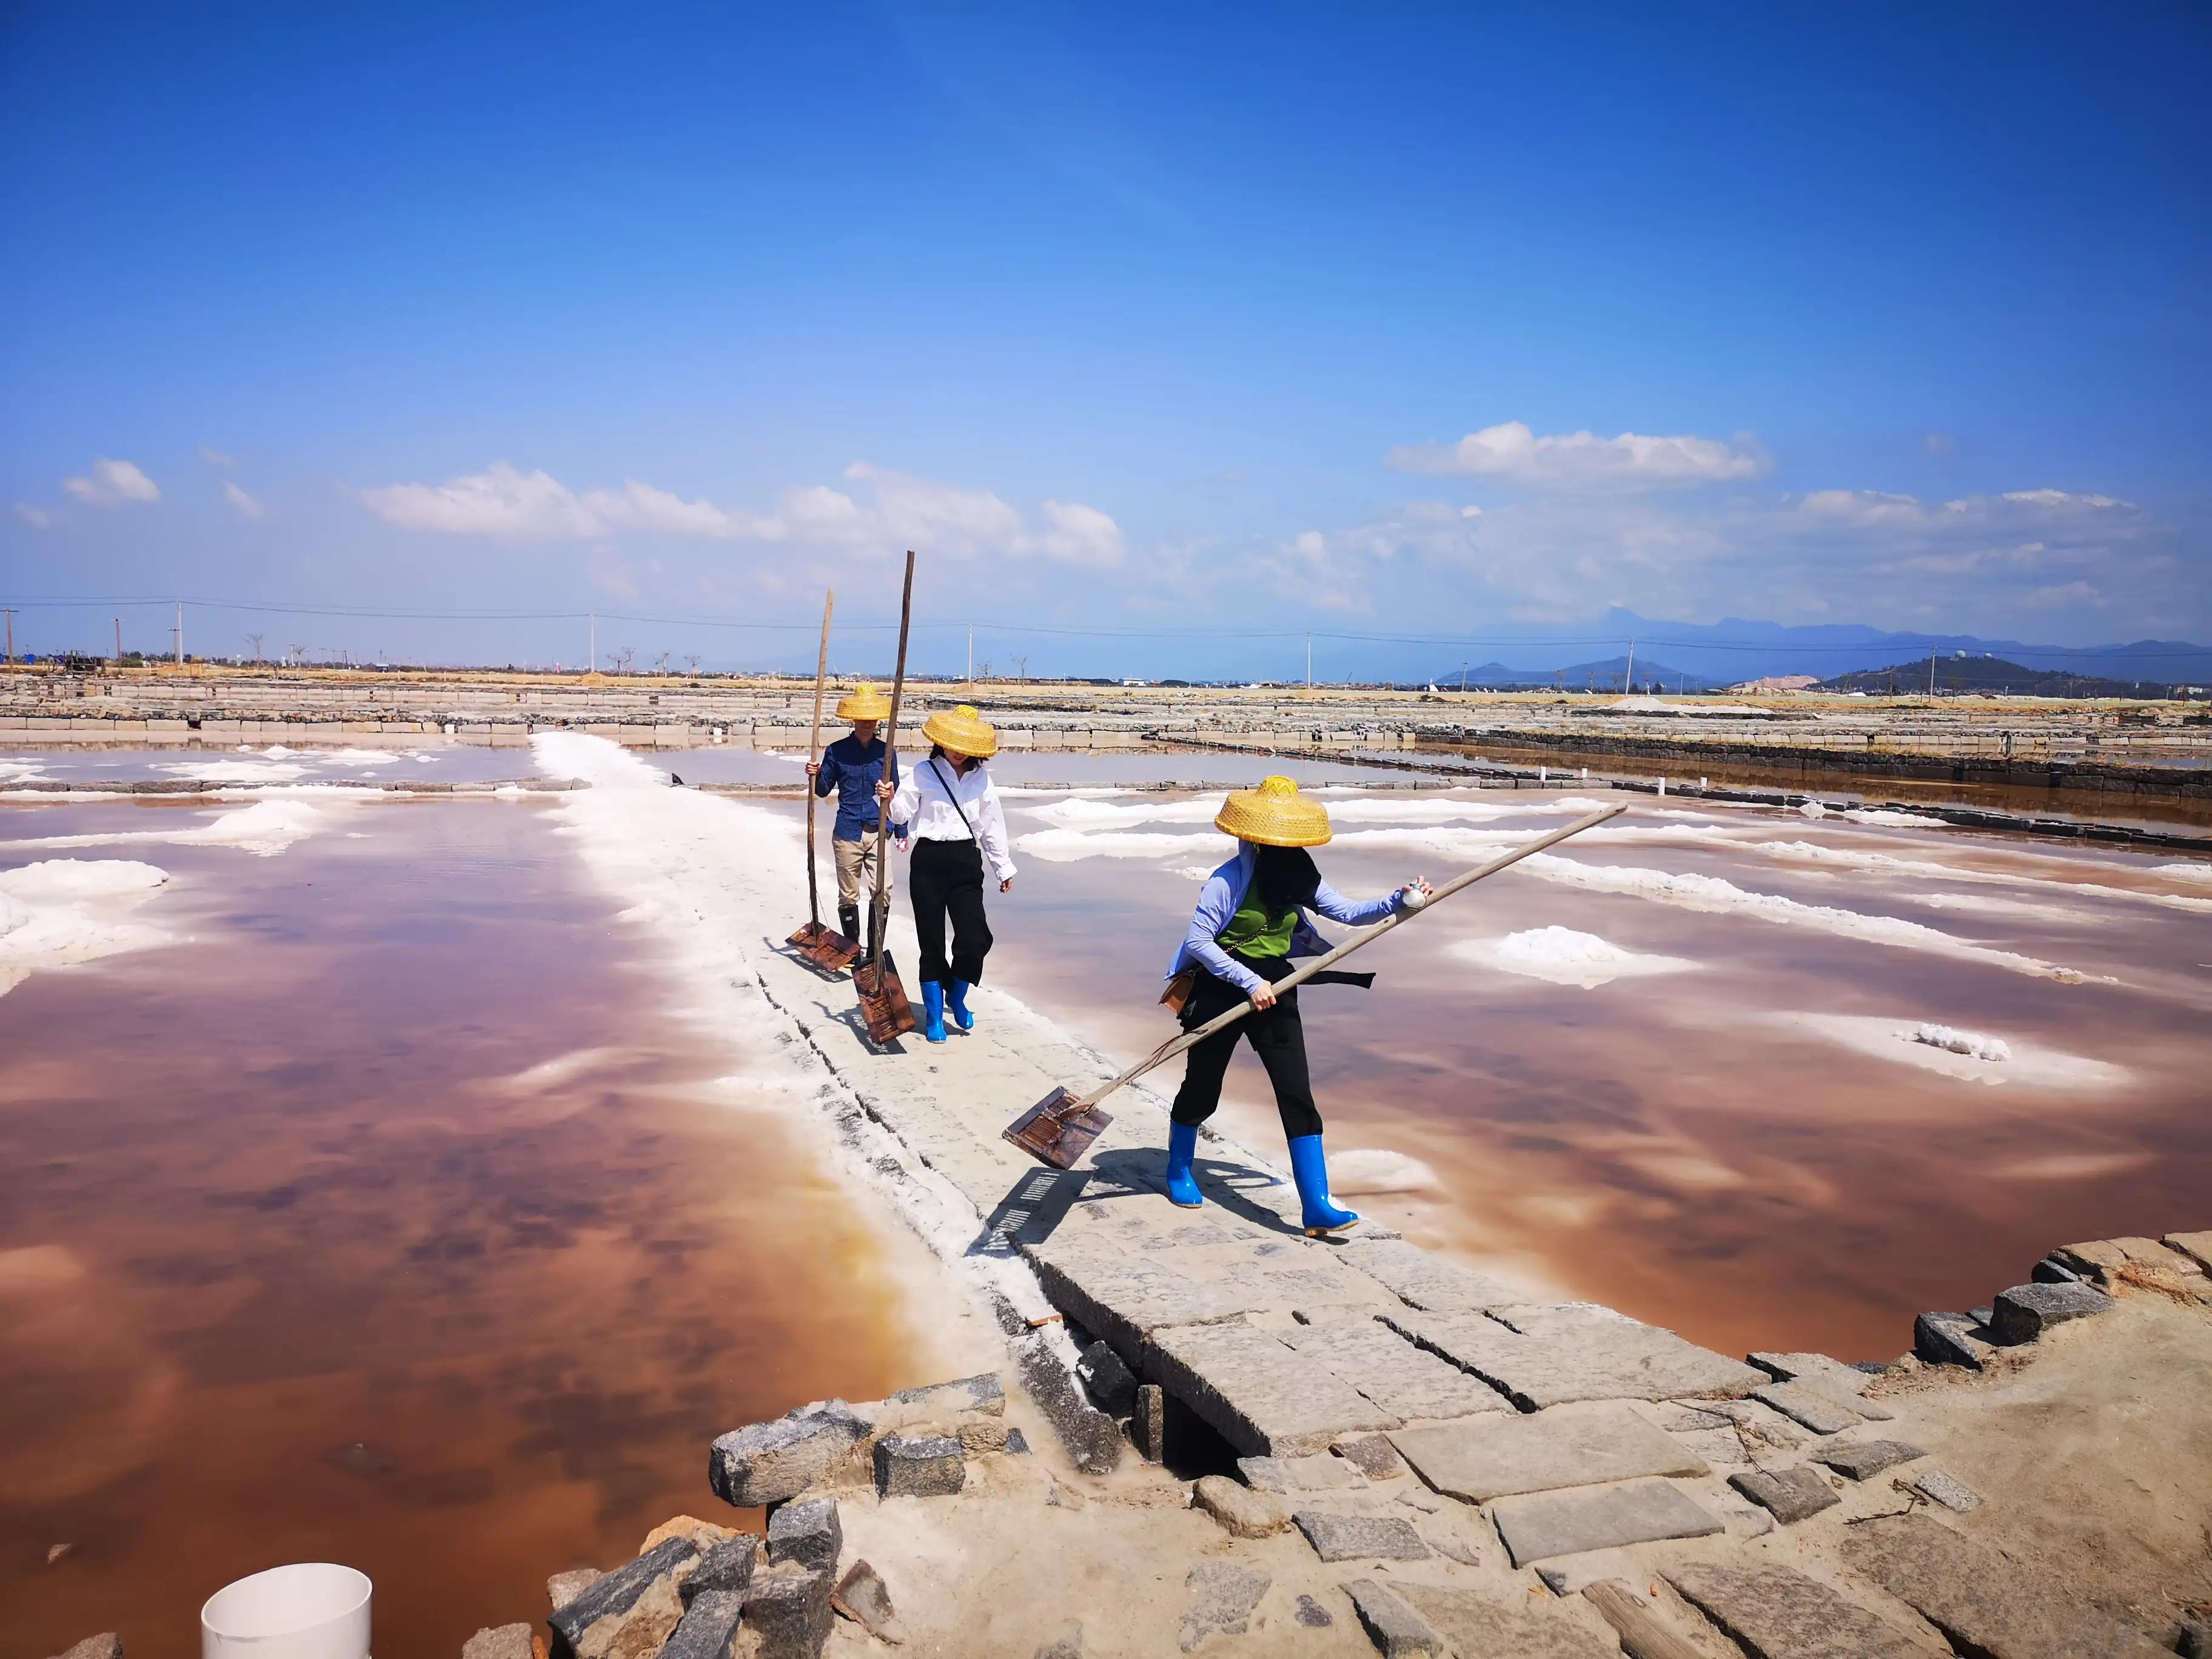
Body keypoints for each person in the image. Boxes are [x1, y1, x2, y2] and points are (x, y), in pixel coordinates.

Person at [1162, 775, 1432, 1235]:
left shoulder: (1299, 874)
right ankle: (1179, 1170)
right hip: (1221, 984)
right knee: (1203, 1086)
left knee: (1296, 1091)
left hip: (1278, 984)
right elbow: (1199, 942)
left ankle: (1316, 1205)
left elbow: (1346, 912)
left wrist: (1400, 902)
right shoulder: (1227, 881)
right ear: (1260, 840)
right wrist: (1248, 981)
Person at [878, 704, 1014, 1044]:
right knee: (931, 943)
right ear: (942, 742)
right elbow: (901, 814)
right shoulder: (924, 771)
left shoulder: (982, 779)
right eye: (952, 744)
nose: (957, 751)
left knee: (976, 939)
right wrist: (889, 798)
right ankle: (935, 1018)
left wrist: (1003, 867)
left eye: (963, 746)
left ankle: (956, 993)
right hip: (928, 861)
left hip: (966, 860)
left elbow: (992, 826)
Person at [804, 683, 899, 959]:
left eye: (872, 717)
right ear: (854, 719)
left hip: (879, 829)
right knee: (849, 895)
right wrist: (815, 773)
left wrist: (890, 799)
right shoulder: (837, 751)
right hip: (848, 831)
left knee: (883, 891)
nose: (868, 722)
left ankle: (875, 952)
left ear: (878, 720)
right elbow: (823, 790)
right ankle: (853, 950)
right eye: (862, 717)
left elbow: (895, 793)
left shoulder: (887, 751)